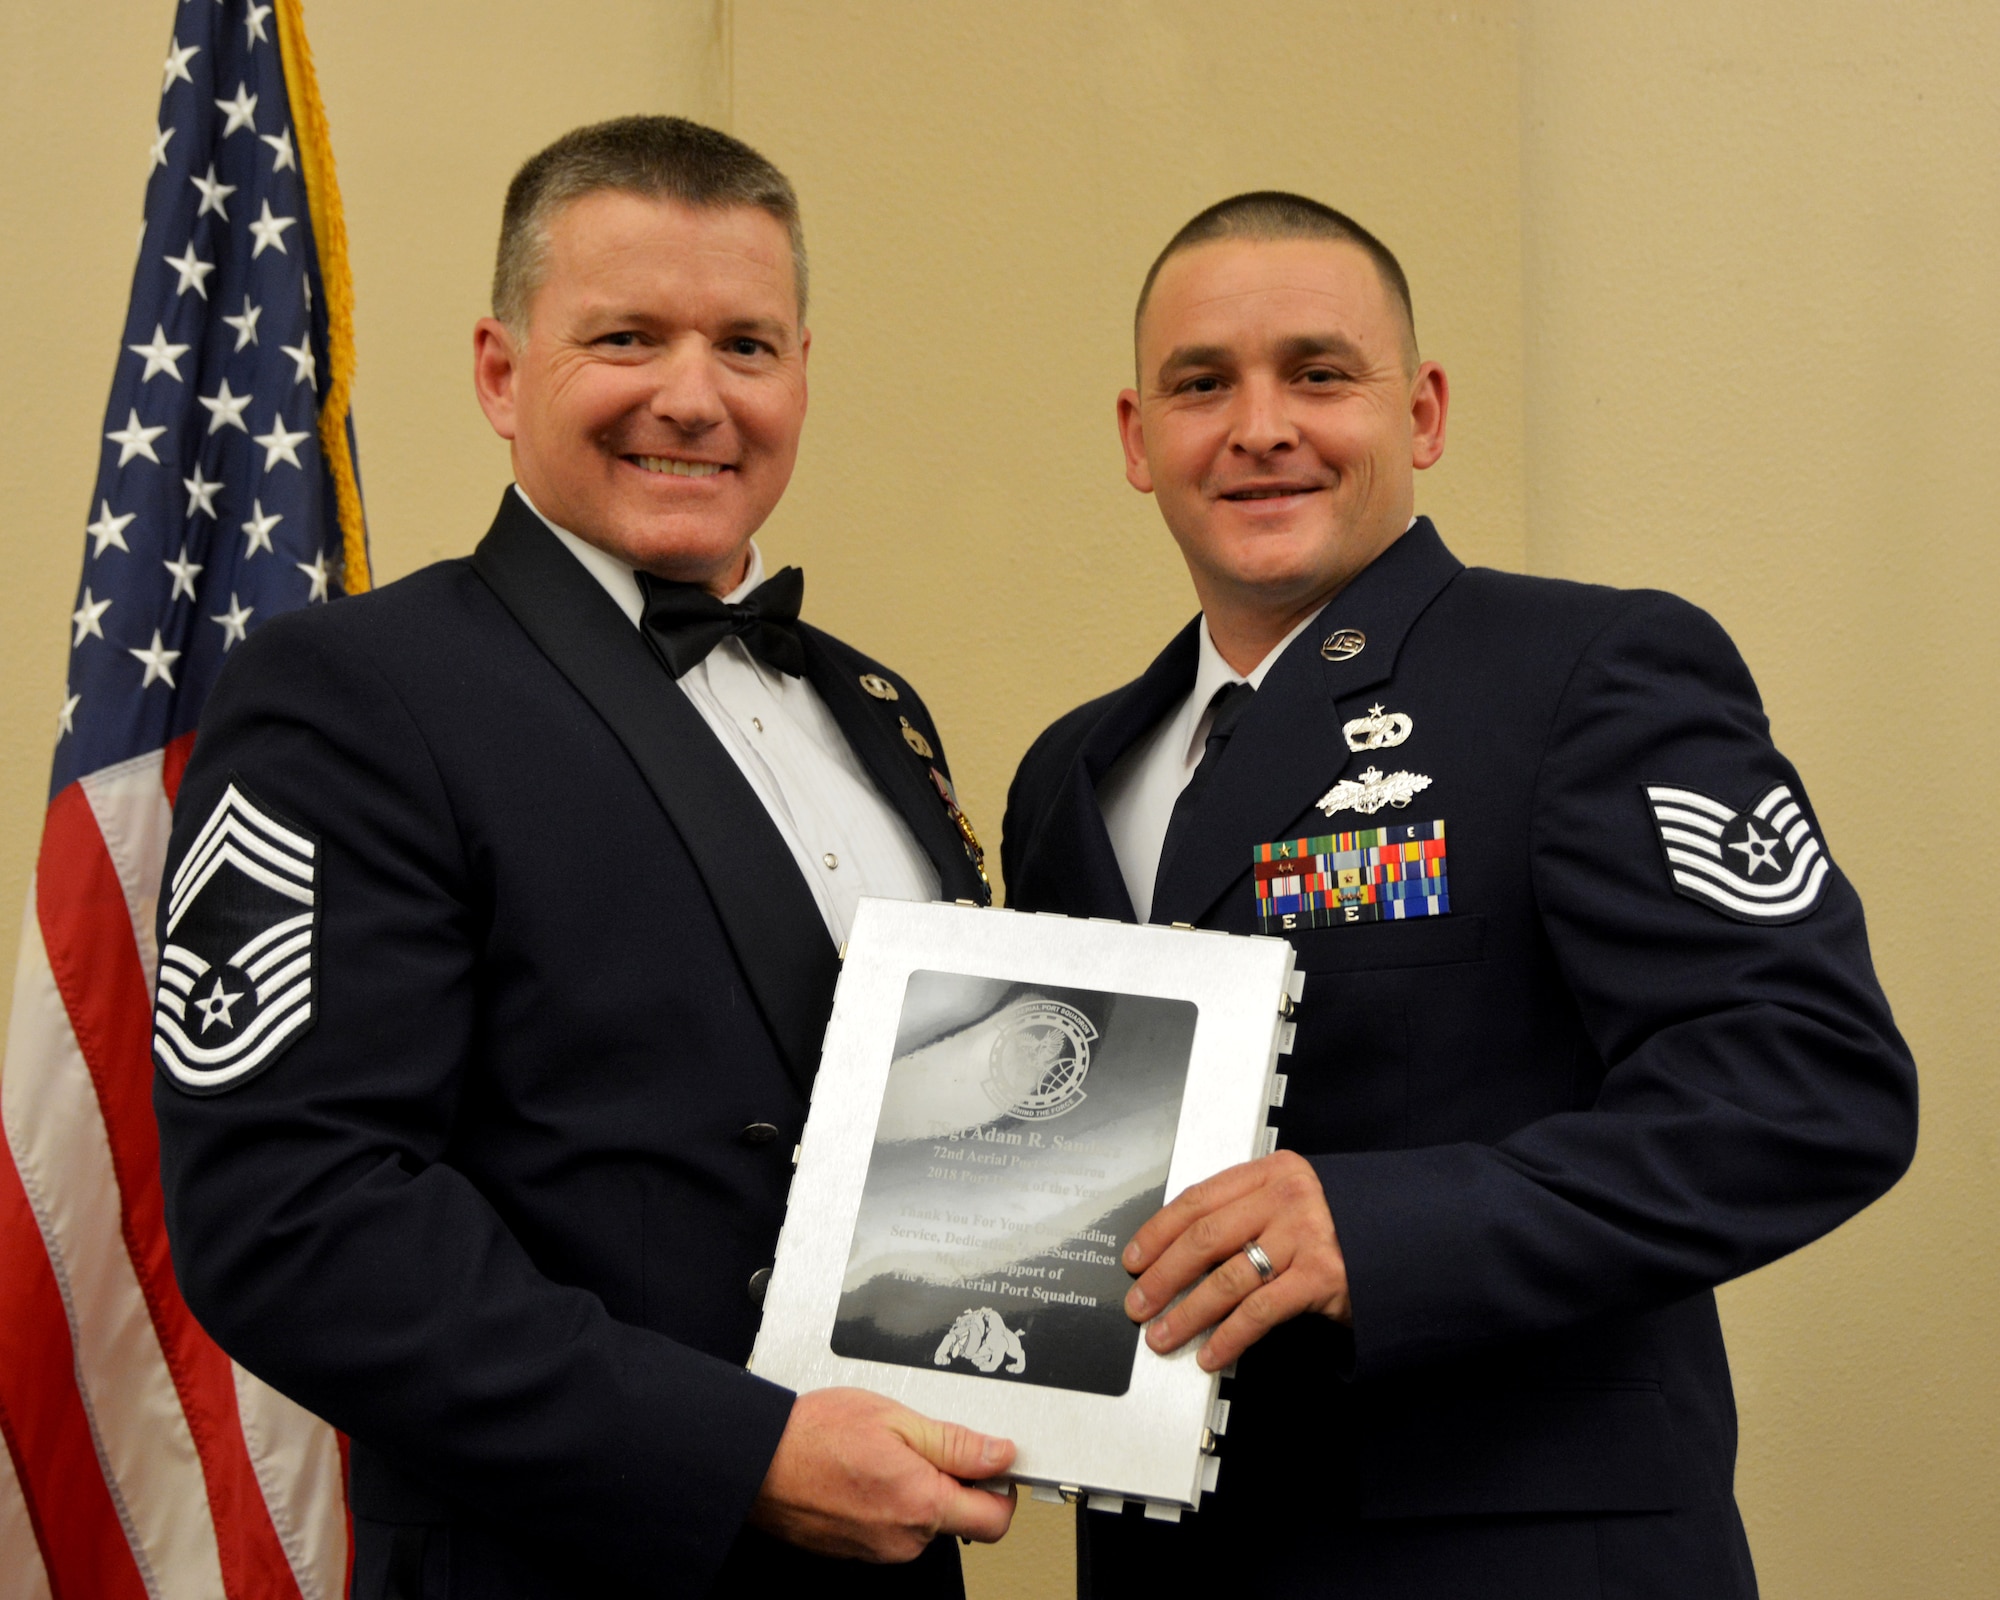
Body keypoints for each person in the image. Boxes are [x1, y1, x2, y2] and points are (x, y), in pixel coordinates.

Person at [1001, 192, 1917, 1599]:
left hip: (1513, 1555)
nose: (1259, 426)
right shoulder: (1071, 774)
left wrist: (1377, 1226)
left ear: (1421, 412)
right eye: (1203, 385)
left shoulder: (1585, 675)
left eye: (1318, 372)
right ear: (1139, 438)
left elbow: (1809, 1088)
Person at [153, 117, 1015, 1598]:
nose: (693, 398)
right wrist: (737, 1454)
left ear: (803, 373)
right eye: (627, 337)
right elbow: (295, 1214)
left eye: (746, 347)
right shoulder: (355, 691)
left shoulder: (878, 711)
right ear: (501, 370)